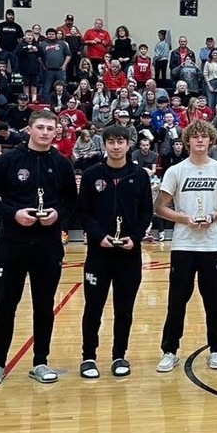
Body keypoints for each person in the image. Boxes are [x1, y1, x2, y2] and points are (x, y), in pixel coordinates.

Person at [0, 110, 78, 386]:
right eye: (41, 128)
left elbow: (72, 201)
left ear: (56, 132)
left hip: (47, 245)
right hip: (12, 243)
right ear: (30, 130)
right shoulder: (10, 160)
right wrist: (14, 214)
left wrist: (58, 214)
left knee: (45, 306)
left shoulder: (62, 163)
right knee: (4, 306)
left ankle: (41, 361)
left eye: (51, 128)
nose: (46, 132)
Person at [154, 120, 217, 373]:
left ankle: (216, 350)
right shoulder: (176, 171)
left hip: (211, 245)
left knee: (213, 301)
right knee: (177, 301)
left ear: (210, 141)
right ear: (187, 140)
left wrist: (213, 216)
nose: (199, 140)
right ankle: (170, 351)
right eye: (195, 136)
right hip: (183, 245)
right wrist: (184, 218)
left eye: (204, 137)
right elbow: (160, 207)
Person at [77, 125, 154, 378]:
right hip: (99, 254)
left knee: (124, 308)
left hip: (129, 253)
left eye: (120, 141)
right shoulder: (92, 174)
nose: (116, 146)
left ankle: (119, 355)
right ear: (105, 144)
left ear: (128, 144)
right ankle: (88, 357)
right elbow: (84, 212)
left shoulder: (140, 175)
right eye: (111, 141)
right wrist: (99, 238)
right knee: (93, 308)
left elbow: (145, 213)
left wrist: (136, 237)